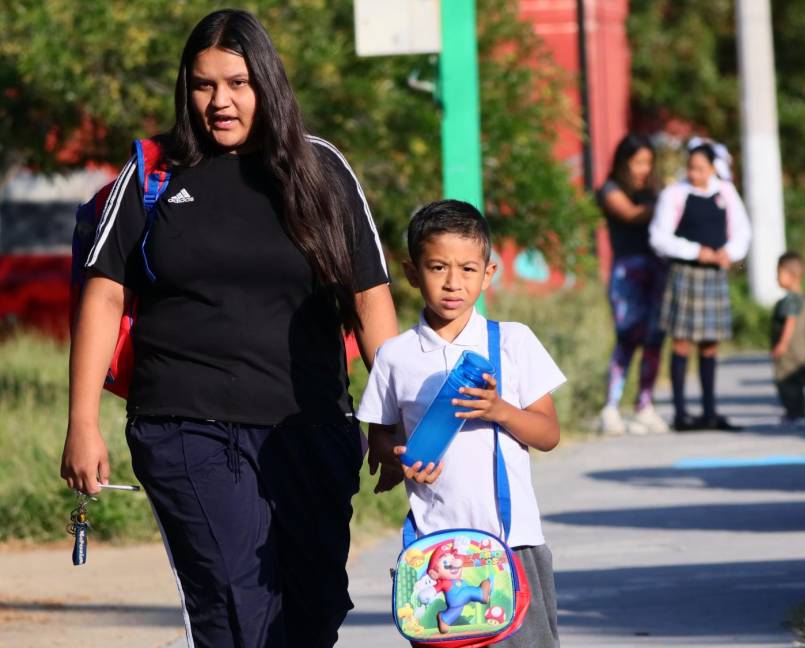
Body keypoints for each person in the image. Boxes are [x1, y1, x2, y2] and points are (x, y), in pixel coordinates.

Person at [59, 10, 398, 647]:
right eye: (203, 84)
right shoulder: (154, 174)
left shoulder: (320, 170)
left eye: (237, 83)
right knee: (237, 604)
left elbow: (369, 299)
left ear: (267, 83)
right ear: (185, 89)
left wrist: (393, 418)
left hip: (311, 428)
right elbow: (103, 297)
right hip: (185, 424)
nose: (220, 102)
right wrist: (82, 424)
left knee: (314, 607)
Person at [357, 199, 565, 647]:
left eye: (469, 269)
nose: (454, 283)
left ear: (488, 274)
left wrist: (500, 411)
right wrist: (398, 460)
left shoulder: (512, 341)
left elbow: (548, 434)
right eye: (438, 268)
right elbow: (381, 440)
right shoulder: (395, 356)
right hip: (436, 550)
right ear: (412, 273)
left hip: (514, 542)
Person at [649, 143, 751, 431]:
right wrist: (696, 252)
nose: (695, 174)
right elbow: (659, 237)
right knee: (681, 340)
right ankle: (681, 413)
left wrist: (729, 252)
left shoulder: (726, 193)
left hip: (714, 274)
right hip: (686, 272)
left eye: (701, 168)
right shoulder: (675, 194)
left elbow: (742, 230)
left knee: (710, 343)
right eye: (691, 168)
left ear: (712, 168)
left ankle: (709, 411)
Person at [597, 133, 668, 435]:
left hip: (658, 270)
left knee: (654, 340)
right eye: (638, 162)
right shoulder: (609, 190)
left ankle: (645, 405)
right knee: (627, 338)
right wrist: (671, 204)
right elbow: (630, 214)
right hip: (628, 273)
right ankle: (611, 407)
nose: (643, 168)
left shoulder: (656, 191)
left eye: (648, 162)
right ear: (624, 162)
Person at [772, 252, 805, 425]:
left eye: (778, 273)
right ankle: (798, 413)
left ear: (792, 275)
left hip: (789, 351)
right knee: (797, 384)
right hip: (800, 351)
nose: (776, 278)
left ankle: (794, 414)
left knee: (785, 382)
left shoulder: (791, 300)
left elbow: (790, 322)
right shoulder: (801, 298)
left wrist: (782, 344)